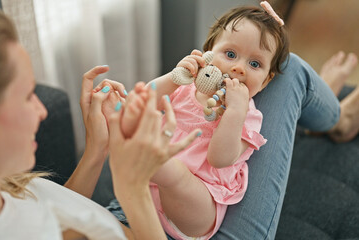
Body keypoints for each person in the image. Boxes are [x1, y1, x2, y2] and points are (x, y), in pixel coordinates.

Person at [0, 8, 200, 240]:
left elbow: (62, 210)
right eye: (28, 96)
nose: (41, 111)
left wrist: (97, 149)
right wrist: (133, 187)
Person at [119, 3, 289, 239]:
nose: (239, 68)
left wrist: (234, 113)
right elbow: (147, 100)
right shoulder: (187, 86)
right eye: (230, 54)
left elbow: (219, 159)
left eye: (255, 64)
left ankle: (146, 159)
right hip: (146, 199)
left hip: (197, 207)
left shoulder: (248, 115)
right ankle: (143, 157)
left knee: (173, 171)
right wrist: (175, 77)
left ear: (266, 81)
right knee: (137, 113)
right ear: (208, 53)